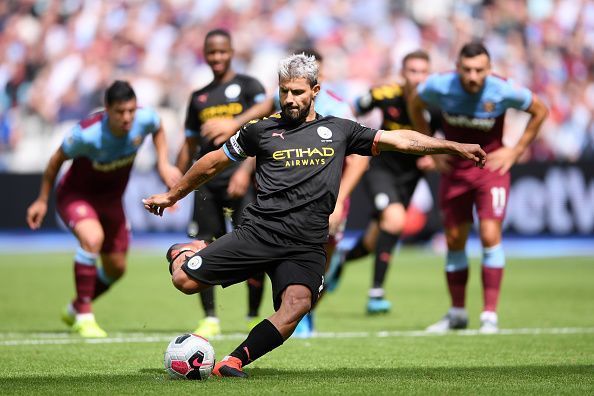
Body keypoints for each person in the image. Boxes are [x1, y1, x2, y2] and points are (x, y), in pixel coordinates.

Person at [143, 53, 486, 377]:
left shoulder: (340, 130)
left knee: (297, 304)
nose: (289, 99)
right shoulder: (259, 130)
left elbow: (402, 140)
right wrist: (173, 194)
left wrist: (454, 146)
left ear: (315, 91)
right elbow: (213, 162)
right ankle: (184, 251)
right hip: (260, 232)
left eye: (297, 92)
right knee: (183, 281)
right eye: (284, 92)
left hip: (306, 244)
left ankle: (234, 361)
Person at [202, 48, 369, 337]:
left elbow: (360, 159)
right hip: (282, 193)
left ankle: (306, 311)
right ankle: (288, 309)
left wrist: (340, 201)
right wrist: (243, 171)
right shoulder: (284, 102)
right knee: (272, 249)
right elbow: (263, 137)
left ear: (317, 81)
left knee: (320, 261)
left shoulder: (339, 109)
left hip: (326, 196)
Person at [409, 42, 548, 333]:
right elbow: (414, 102)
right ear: (457, 67)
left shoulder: (503, 89)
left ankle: (489, 315)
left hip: (490, 171)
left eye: (479, 70)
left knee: (489, 234)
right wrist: (431, 148)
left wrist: (515, 151)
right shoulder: (440, 85)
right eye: (467, 69)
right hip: (455, 172)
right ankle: (457, 313)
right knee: (455, 239)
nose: (473, 76)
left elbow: (540, 110)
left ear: (489, 69)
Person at [26, 80, 181, 338]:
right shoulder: (86, 135)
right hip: (77, 196)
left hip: (111, 201)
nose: (127, 117)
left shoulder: (145, 119)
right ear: (107, 109)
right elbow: (55, 161)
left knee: (116, 268)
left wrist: (163, 163)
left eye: (131, 110)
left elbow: (159, 128)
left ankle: (75, 306)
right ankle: (85, 316)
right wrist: (42, 199)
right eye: (120, 112)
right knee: (92, 238)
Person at [325, 50, 438, 314]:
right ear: (403, 73)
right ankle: (376, 293)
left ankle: (341, 261)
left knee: (374, 241)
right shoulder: (384, 94)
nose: (418, 77)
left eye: (423, 72)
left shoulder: (436, 102)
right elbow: (351, 111)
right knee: (395, 219)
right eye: (412, 71)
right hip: (381, 170)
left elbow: (442, 132)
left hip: (411, 178)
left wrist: (435, 158)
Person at [177, 29, 268, 338]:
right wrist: (177, 185)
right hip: (206, 183)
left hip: (240, 179)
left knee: (254, 245)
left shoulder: (248, 86)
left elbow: (266, 114)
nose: (217, 57)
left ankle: (253, 313)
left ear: (231, 52)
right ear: (205, 54)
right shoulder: (198, 97)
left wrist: (245, 171)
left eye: (222, 52)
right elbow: (189, 144)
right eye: (211, 53)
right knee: (202, 244)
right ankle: (211, 317)